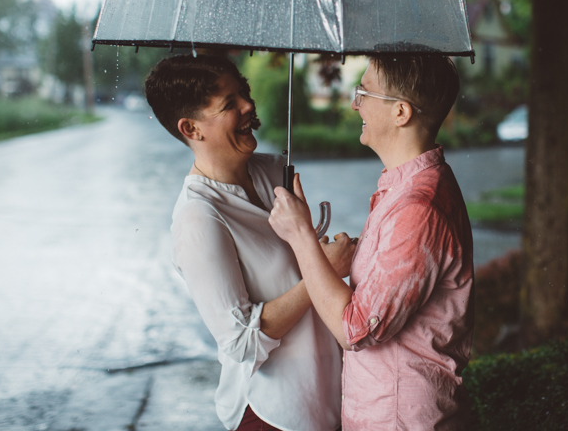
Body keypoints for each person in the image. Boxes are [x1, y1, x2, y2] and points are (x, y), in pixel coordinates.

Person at [144, 53, 355, 431]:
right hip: (274, 413)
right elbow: (240, 341)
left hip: (332, 397)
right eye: (229, 104)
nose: (248, 105)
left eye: (242, 91)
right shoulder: (199, 217)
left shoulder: (274, 171)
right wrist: (324, 271)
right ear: (191, 129)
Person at [269, 54, 474, 430]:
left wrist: (301, 236)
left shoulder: (418, 208)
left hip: (401, 419)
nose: (354, 102)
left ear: (401, 113)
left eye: (364, 92)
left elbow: (355, 329)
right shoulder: (405, 187)